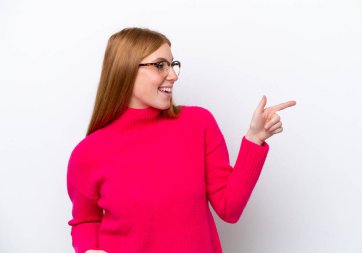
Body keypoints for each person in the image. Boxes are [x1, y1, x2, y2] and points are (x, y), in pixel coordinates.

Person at [66, 27, 296, 253]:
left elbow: (230, 208)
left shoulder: (198, 124)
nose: (173, 75)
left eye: (172, 64)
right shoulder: (88, 153)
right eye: (160, 65)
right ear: (126, 70)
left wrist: (254, 139)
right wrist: (88, 250)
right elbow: (85, 221)